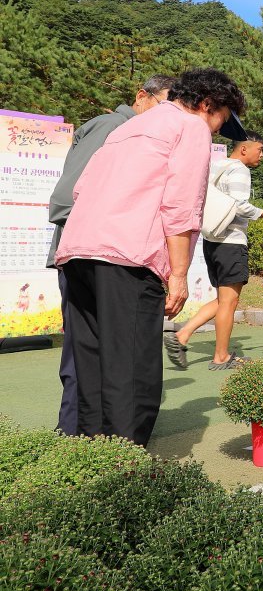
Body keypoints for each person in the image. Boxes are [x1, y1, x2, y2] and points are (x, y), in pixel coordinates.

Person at [56, 68, 246, 446]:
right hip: (129, 256)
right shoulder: (190, 128)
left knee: (91, 363)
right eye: (220, 122)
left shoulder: (125, 129)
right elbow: (180, 206)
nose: (215, 131)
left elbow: (79, 189)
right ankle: (126, 462)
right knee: (131, 367)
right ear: (206, 105)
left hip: (77, 250)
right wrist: (177, 275)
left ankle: (89, 455)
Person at [46, 73, 175, 437]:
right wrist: (101, 227)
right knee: (84, 359)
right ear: (141, 97)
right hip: (93, 252)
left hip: (103, 250)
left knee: (101, 356)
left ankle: (89, 443)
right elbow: (67, 197)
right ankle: (74, 440)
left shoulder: (139, 133)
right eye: (164, 104)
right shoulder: (114, 127)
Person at [167, 132, 263, 370]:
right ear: (244, 149)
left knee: (223, 299)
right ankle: (221, 356)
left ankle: (182, 335)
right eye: (260, 149)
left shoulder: (216, 166)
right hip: (231, 241)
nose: (262, 155)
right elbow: (240, 205)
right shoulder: (240, 170)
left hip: (211, 239)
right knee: (230, 301)